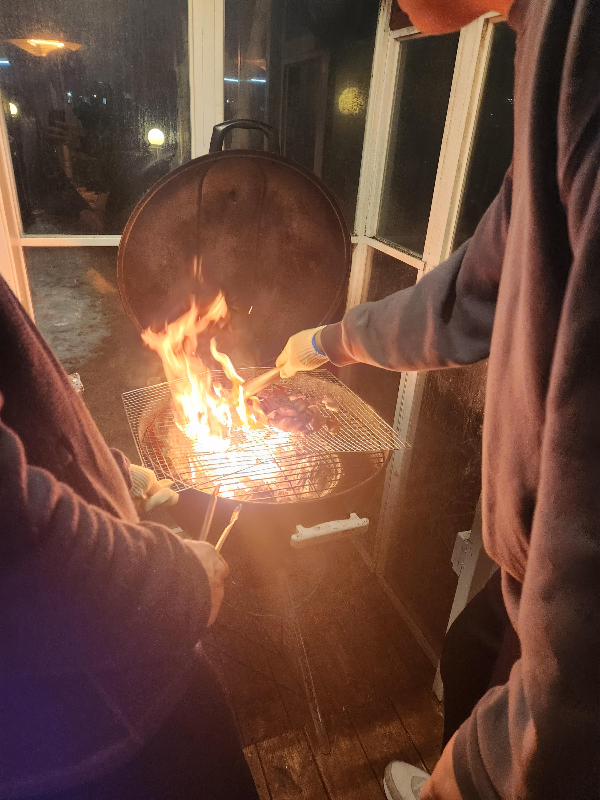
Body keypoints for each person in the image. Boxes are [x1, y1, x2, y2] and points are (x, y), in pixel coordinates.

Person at [276, 0, 600, 798]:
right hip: (531, 564)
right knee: (468, 651)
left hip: (576, 606)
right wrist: (331, 340)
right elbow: (469, 293)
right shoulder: (546, 38)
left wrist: (496, 768)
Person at [0, 272, 258, 798]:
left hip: (101, 709)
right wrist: (179, 580)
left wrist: (115, 478)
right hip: (106, 737)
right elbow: (16, 534)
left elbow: (33, 425)